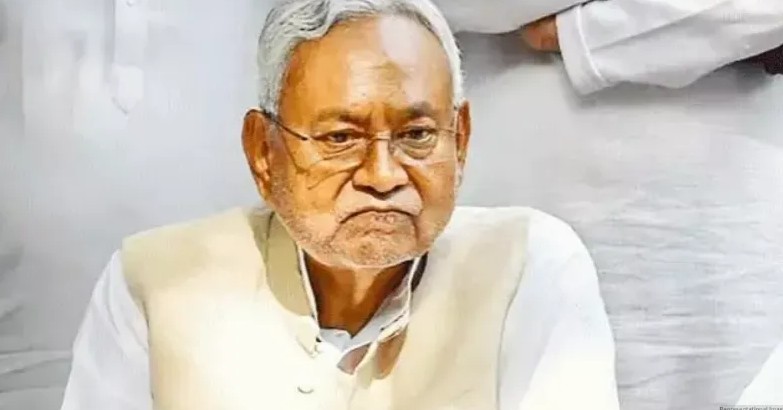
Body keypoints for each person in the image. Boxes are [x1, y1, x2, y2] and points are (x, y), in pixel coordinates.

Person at [59, 0, 619, 409]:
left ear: (461, 139)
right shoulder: (154, 285)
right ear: (263, 153)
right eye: (340, 138)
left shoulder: (527, 266)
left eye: (417, 135)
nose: (383, 175)